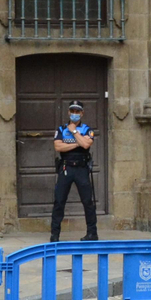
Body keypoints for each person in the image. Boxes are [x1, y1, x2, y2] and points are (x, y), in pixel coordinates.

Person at [51, 101, 99, 242]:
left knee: (87, 201)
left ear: (82, 113)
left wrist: (73, 132)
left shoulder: (87, 129)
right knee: (59, 201)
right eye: (72, 111)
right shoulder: (61, 129)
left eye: (77, 112)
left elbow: (86, 144)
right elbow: (58, 147)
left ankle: (92, 233)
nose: (75, 114)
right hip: (66, 168)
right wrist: (78, 142)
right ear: (68, 112)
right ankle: (55, 235)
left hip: (81, 168)